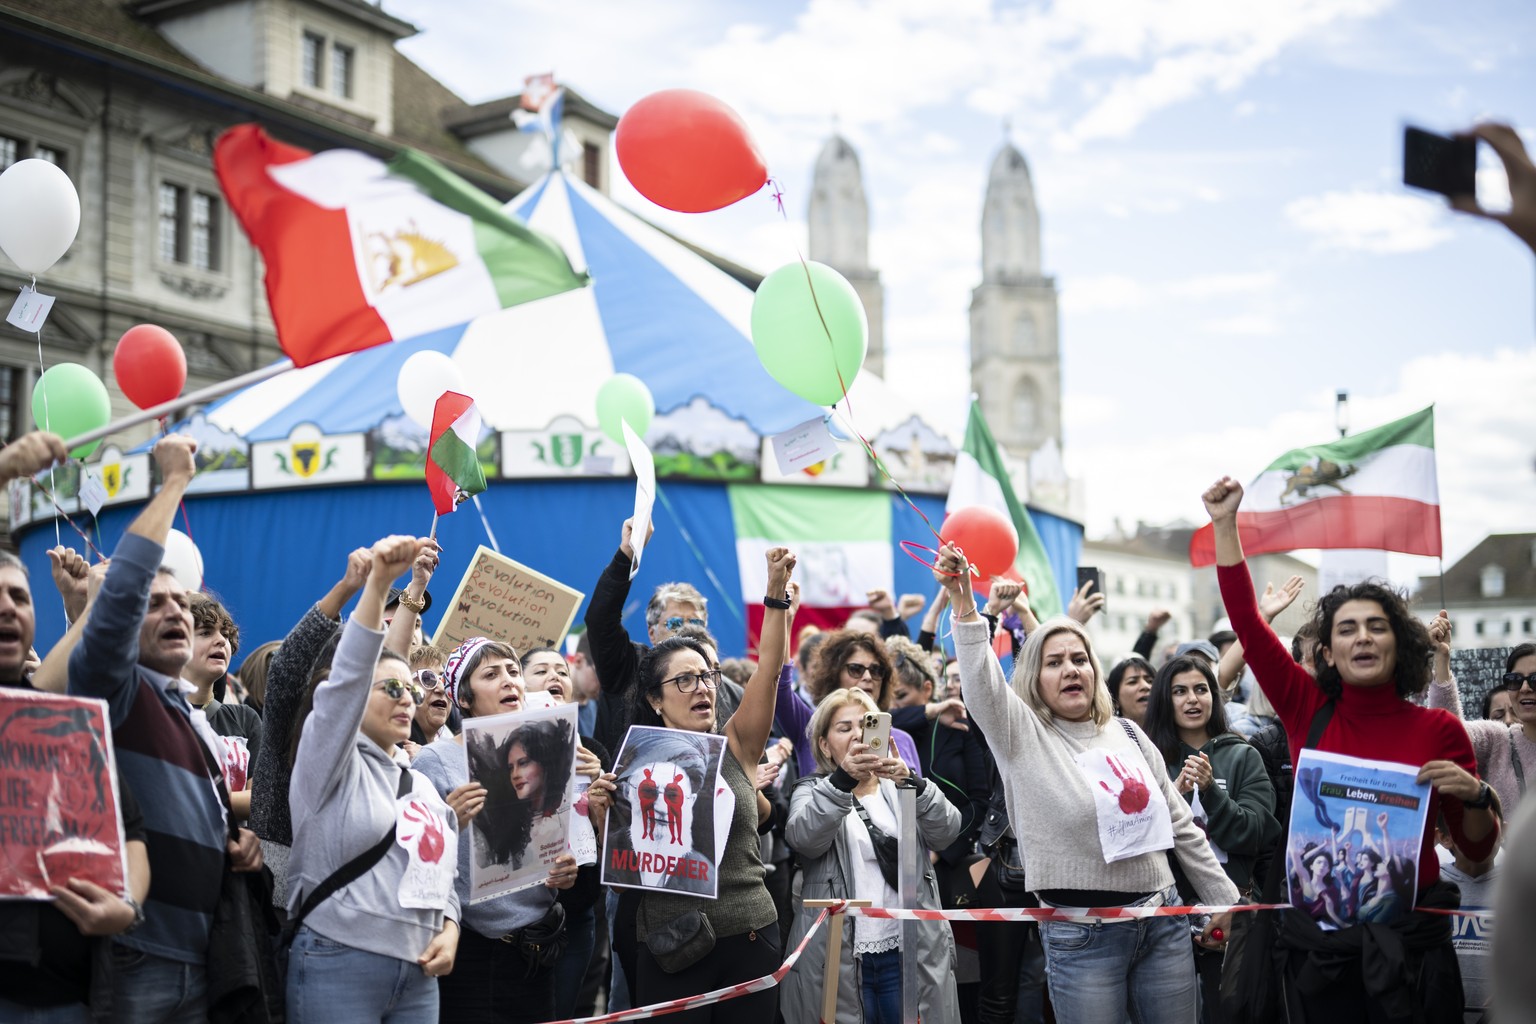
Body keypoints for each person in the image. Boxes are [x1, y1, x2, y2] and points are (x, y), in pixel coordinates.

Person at [1202, 475, 1499, 1020]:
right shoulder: (1304, 706)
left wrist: (1478, 798)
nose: (1362, 636)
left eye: (1376, 626)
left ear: (1399, 643)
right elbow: (1246, 621)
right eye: (1347, 629)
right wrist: (1226, 525)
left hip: (1412, 957)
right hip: (1321, 960)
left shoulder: (1442, 731)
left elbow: (1476, 855)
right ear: (1330, 652)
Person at [937, 541, 1239, 1023]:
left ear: (1094, 670)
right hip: (1082, 939)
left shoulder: (1128, 733)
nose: (1070, 669)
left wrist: (1227, 901)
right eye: (1053, 662)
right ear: (1034, 679)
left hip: (1162, 924)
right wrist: (964, 605)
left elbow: (1180, 825)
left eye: (1079, 658)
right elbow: (981, 684)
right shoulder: (1022, 736)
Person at [61, 435, 263, 1022]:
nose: (175, 611)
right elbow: (120, 588)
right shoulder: (116, 687)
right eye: (156, 605)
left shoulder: (189, 714)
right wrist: (173, 482)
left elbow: (209, 810)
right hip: (137, 952)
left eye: (182, 603)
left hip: (204, 956)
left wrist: (237, 842)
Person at [0, 431, 156, 1022]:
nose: (7, 607)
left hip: (78, 995)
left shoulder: (60, 720)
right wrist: (7, 469)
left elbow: (130, 826)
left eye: (19, 595)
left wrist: (127, 905)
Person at [286, 534, 460, 1023]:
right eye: (390, 689)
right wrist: (381, 583)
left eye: (411, 689)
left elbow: (442, 874)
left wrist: (450, 927)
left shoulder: (422, 782)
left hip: (421, 974)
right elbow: (349, 676)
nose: (407, 698)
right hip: (337, 958)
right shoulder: (328, 761)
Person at [627, 546, 795, 1024]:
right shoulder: (632, 768)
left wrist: (776, 594)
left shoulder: (737, 743)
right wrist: (602, 810)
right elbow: (620, 868)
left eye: (707, 677)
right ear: (654, 700)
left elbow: (770, 670)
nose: (702, 687)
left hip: (748, 939)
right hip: (669, 947)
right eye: (684, 680)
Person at [413, 636, 605, 1024]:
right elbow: (417, 859)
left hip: (537, 949)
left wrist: (564, 870)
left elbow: (550, 841)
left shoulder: (541, 749)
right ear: (463, 698)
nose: (509, 681)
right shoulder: (437, 760)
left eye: (514, 672)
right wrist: (446, 822)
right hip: (470, 951)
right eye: (492, 674)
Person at [780, 687, 962, 1023]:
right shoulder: (812, 789)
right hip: (840, 953)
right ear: (824, 744)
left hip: (906, 948)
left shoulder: (901, 785)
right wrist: (843, 782)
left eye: (865, 725)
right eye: (844, 728)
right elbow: (804, 838)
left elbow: (948, 831)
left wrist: (913, 782)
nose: (857, 735)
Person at [1143, 654, 1279, 1022]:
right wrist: (1177, 795)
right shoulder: (1147, 759)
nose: (1192, 699)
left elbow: (1255, 833)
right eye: (1180, 691)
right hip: (1165, 918)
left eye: (1201, 689)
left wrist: (1212, 791)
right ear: (1164, 700)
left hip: (1232, 913)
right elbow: (1138, 842)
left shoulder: (1243, 755)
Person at [1425, 633, 1532, 818]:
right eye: (1515, 680)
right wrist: (1442, 658)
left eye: (1535, 679)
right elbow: (1449, 735)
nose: (1524, 688)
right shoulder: (1499, 740)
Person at [187, 594, 263, 821]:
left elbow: (260, 799)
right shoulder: (158, 713)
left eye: (226, 634)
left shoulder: (245, 719)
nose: (221, 640)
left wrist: (193, 799)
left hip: (232, 852)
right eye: (205, 632)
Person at [1108, 653, 1155, 728]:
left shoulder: (1176, 735)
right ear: (1115, 699)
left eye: (1150, 681)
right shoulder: (1110, 737)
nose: (1145, 686)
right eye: (1133, 682)